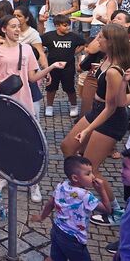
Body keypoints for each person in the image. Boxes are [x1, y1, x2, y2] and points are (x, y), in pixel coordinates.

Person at [0, 15, 64, 198]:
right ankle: (4, 176)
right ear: (4, 29)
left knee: (29, 142)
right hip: (4, 103)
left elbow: (32, 78)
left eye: (18, 27)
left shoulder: (27, 49)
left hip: (25, 102)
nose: (17, 30)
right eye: (13, 26)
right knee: (4, 140)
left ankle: (34, 182)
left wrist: (51, 67)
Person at [61, 23, 130, 227]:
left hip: (110, 120)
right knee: (68, 146)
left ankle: (115, 209)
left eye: (101, 37)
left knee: (92, 167)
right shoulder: (105, 59)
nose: (97, 40)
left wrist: (88, 130)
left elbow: (114, 106)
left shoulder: (114, 71)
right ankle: (80, 187)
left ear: (111, 43)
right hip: (96, 111)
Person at [31, 155, 111, 261]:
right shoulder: (86, 196)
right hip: (74, 239)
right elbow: (107, 210)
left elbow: (51, 202)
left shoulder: (61, 186)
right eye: (88, 174)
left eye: (92, 172)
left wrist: (42, 217)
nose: (93, 176)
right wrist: (102, 190)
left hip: (57, 230)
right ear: (75, 178)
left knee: (56, 258)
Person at [41, 15, 85, 118]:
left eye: (69, 25)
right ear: (57, 26)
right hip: (53, 67)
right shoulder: (49, 36)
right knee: (51, 87)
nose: (68, 28)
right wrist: (42, 52)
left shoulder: (73, 36)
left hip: (68, 67)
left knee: (69, 87)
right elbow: (38, 43)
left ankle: (74, 106)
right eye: (65, 25)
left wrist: (74, 53)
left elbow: (83, 44)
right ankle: (49, 106)